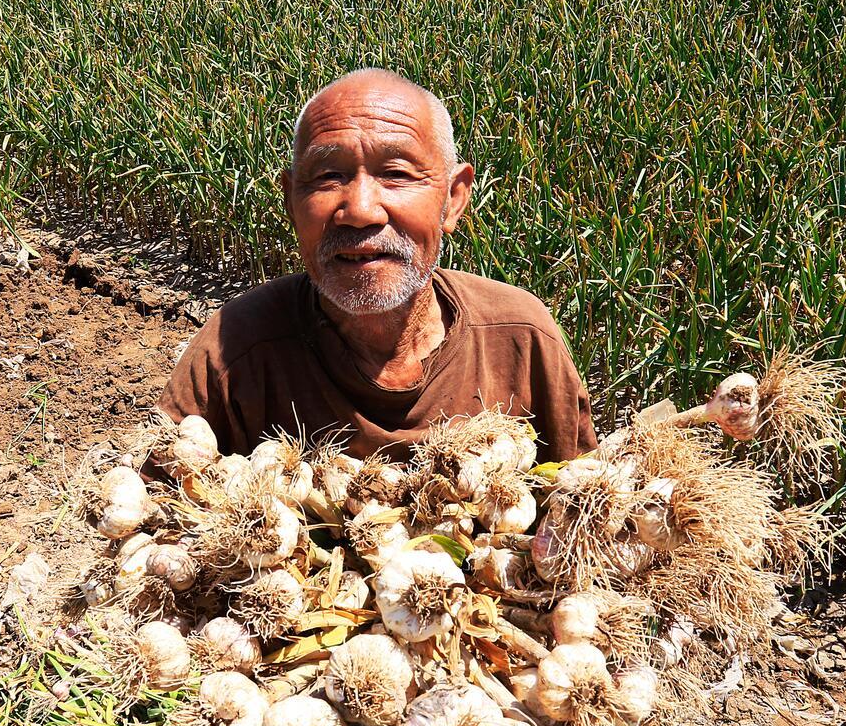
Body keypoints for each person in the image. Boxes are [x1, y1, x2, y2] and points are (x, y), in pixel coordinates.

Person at [159, 68, 597, 463]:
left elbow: (585, 509)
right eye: (328, 176)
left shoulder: (520, 338)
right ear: (292, 201)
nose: (361, 210)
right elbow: (157, 524)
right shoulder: (233, 351)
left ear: (453, 199)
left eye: (397, 173)